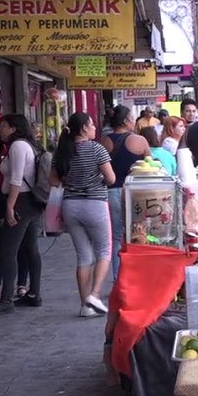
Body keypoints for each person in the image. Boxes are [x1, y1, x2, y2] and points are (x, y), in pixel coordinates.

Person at [51, 113, 116, 317]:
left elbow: (53, 181)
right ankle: (94, 296)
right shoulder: (96, 148)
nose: (95, 127)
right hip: (95, 204)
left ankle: (84, 305)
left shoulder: (62, 151)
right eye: (92, 124)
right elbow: (111, 178)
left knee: (83, 255)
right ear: (84, 128)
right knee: (104, 251)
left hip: (70, 206)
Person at [0, 114, 44, 316]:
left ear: (14, 128)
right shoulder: (25, 146)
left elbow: (16, 179)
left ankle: (6, 298)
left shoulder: (17, 147)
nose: (0, 130)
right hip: (28, 202)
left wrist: (9, 207)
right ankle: (33, 293)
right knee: (30, 247)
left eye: (4, 126)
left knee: (8, 251)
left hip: (19, 201)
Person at [101, 106, 151, 280]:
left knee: (116, 236)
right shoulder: (140, 141)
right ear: (125, 121)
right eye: (131, 117)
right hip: (136, 193)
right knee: (138, 233)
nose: (133, 120)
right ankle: (137, 277)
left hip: (111, 191)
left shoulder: (104, 141)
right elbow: (151, 167)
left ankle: (118, 279)